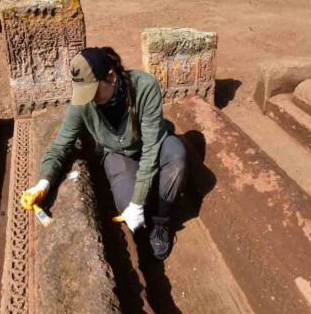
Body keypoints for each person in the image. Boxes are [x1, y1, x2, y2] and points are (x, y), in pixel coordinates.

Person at [20, 47, 187, 260]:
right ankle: (148, 199)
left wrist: (138, 203)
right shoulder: (83, 104)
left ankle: (162, 221)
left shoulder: (145, 87)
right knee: (126, 204)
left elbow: (152, 148)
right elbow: (60, 146)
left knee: (177, 158)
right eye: (84, 93)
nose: (89, 98)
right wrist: (43, 183)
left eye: (94, 90)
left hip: (152, 141)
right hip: (119, 152)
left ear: (111, 76)